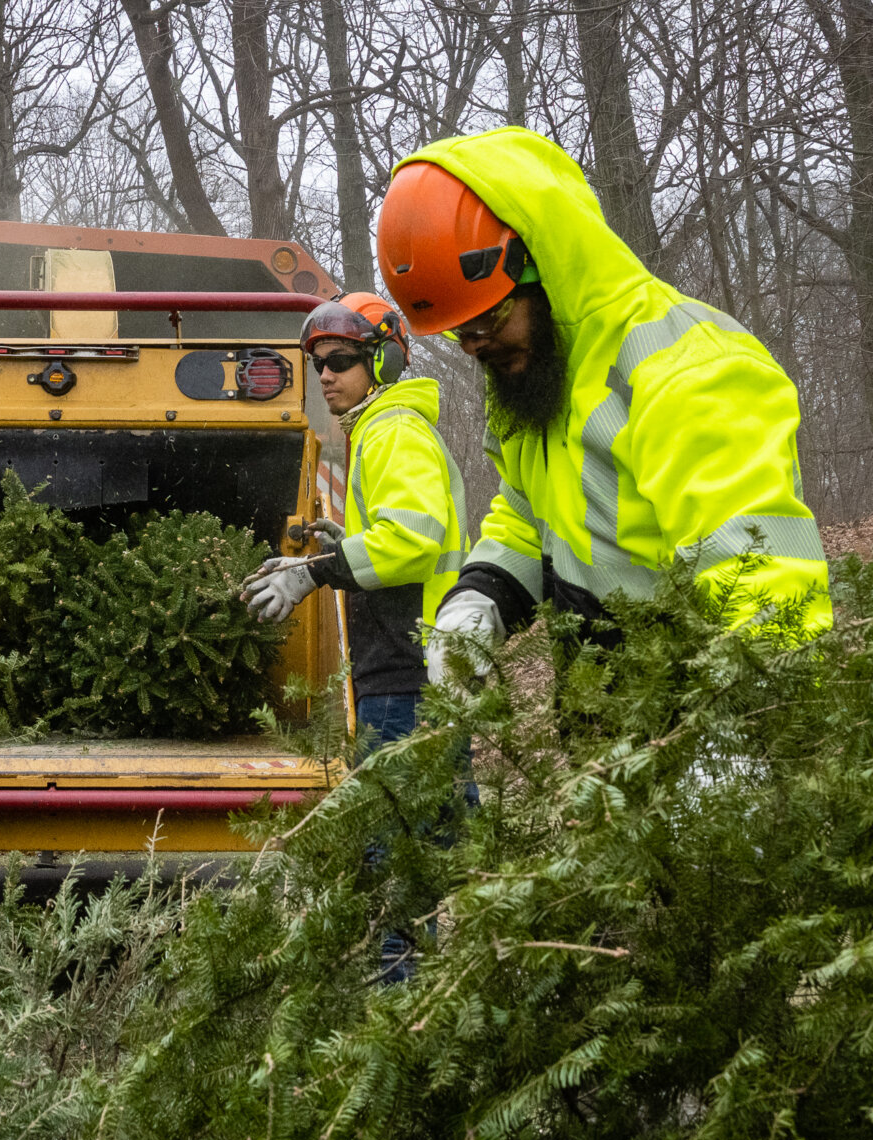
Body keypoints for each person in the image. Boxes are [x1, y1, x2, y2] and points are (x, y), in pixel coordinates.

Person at [372, 127, 829, 689]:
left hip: (697, 714)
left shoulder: (684, 368)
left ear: (544, 269)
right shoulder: (542, 377)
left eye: (485, 320)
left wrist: (745, 726)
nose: (472, 346)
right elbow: (527, 514)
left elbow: (763, 568)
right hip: (609, 724)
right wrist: (478, 599)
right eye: (455, 332)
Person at [241, 292, 469, 748]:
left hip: (408, 675)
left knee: (401, 818)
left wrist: (313, 571)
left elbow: (411, 544)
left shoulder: (394, 431)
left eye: (340, 360)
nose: (325, 375)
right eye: (318, 364)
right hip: (411, 671)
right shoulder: (378, 430)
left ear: (381, 362)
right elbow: (404, 535)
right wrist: (350, 544)